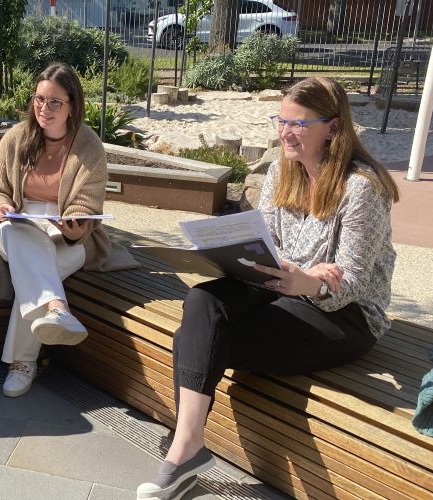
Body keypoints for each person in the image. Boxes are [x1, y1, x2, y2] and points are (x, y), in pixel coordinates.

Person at [136, 76, 400, 500]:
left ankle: (183, 451)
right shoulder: (282, 171)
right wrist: (234, 256)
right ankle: (190, 446)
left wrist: (309, 284)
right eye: (281, 120)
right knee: (203, 298)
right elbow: (270, 243)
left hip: (342, 314)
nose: (285, 132)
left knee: (194, 337)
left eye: (298, 124)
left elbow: (349, 282)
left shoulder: (360, 188)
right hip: (280, 284)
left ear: (332, 128)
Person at [0, 63, 138, 399]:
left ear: (73, 105)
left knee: (36, 271)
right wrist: (0, 207)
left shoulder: (89, 146)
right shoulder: (15, 139)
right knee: (18, 234)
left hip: (67, 236)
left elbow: (87, 202)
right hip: (18, 226)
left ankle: (23, 361)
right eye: (40, 99)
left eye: (55, 102)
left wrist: (75, 222)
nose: (44, 108)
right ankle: (56, 310)